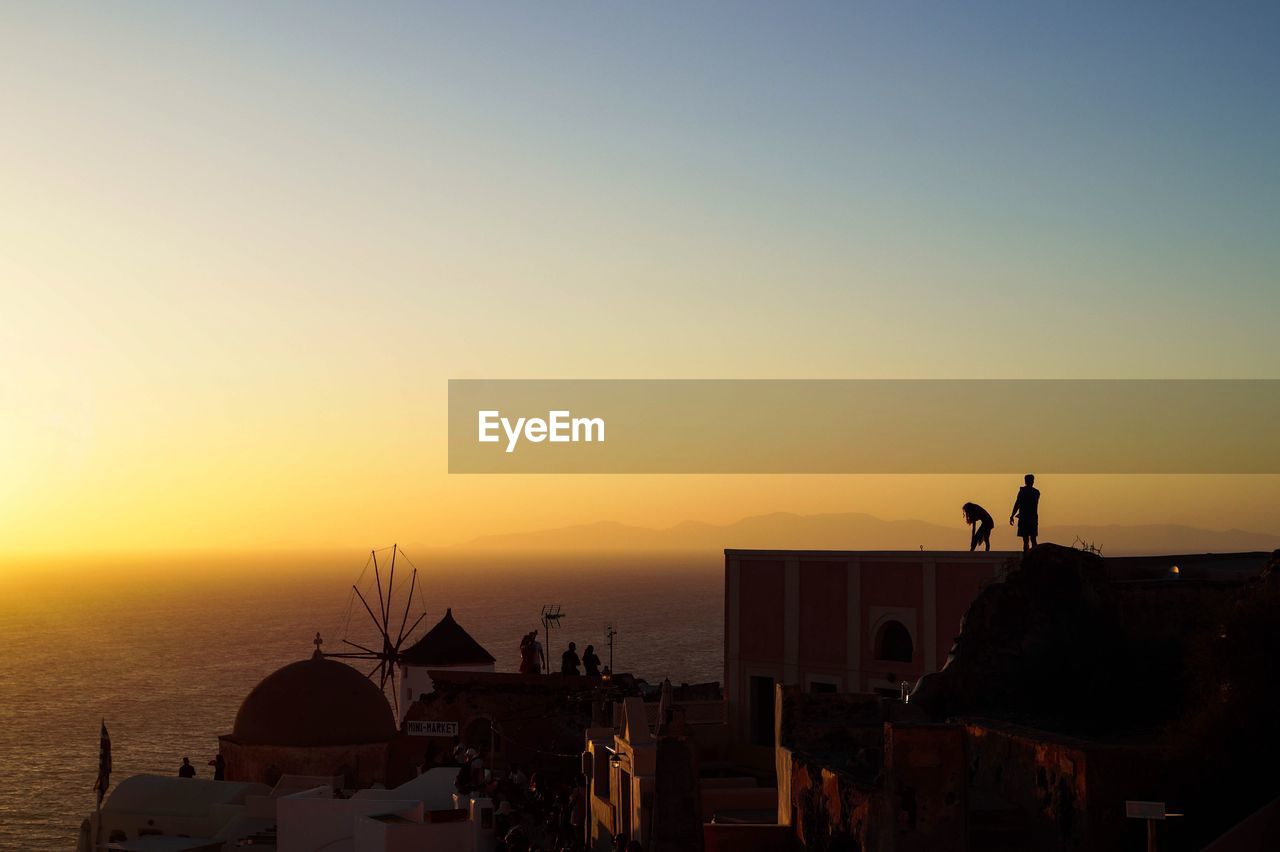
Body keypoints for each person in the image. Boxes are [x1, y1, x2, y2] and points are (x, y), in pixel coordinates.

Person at [1010, 473, 1040, 551]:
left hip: (1027, 519)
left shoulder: (1026, 492)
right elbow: (1018, 504)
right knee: (1029, 540)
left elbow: (1018, 504)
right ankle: (1030, 557)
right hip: (1029, 519)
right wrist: (1012, 515)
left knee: (1029, 540)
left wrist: (1012, 515)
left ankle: (1031, 557)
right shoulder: (1034, 492)